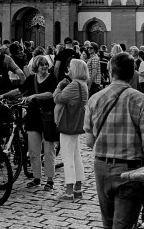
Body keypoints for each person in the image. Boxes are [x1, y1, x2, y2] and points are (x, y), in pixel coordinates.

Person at [85, 52, 144, 228]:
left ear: (111, 71)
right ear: (133, 73)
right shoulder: (142, 100)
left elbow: (89, 141)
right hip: (130, 169)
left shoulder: (94, 99)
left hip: (102, 167)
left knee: (108, 224)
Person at [0, 53, 57, 189]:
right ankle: (37, 177)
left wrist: (35, 96)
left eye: (46, 64)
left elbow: (51, 94)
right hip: (33, 117)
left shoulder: (51, 78)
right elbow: (19, 90)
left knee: (49, 150)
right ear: (36, 66)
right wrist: (3, 95)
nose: (44, 67)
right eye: (41, 65)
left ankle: (50, 180)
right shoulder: (31, 79)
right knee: (33, 150)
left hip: (48, 117)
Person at [53, 59, 89, 201]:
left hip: (68, 123)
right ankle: (78, 189)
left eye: (70, 67)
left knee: (67, 157)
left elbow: (57, 98)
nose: (68, 69)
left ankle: (69, 191)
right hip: (77, 123)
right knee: (76, 156)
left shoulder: (74, 85)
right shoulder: (83, 84)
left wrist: (59, 86)